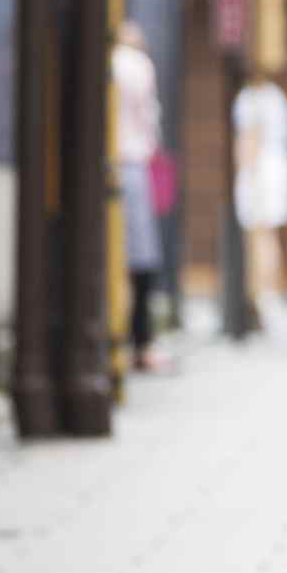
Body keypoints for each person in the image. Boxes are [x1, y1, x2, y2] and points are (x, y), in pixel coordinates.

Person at [111, 21, 171, 373]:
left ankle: (122, 340)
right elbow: (150, 119)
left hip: (104, 164)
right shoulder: (136, 65)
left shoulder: (111, 62)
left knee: (117, 259)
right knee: (140, 259)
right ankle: (141, 342)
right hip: (133, 164)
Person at [232, 66, 287, 327]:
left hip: (260, 168)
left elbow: (250, 139)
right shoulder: (276, 95)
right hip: (278, 164)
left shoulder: (251, 98)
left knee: (259, 235)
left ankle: (262, 294)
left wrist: (244, 172)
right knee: (268, 235)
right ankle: (270, 293)